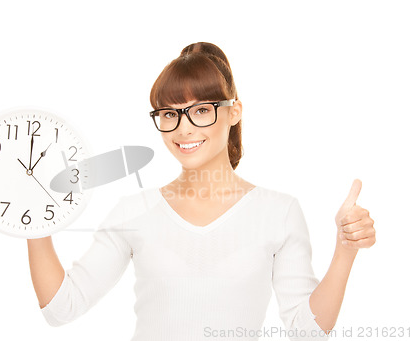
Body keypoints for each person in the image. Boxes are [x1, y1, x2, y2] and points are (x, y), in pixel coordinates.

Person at [27, 42, 376, 341]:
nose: (184, 128)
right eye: (169, 113)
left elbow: (307, 331)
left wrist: (345, 252)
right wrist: (32, 220)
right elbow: (61, 308)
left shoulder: (278, 212)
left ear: (234, 111)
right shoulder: (134, 211)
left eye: (201, 111)